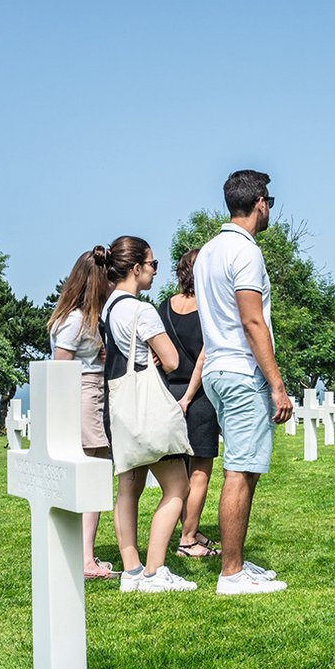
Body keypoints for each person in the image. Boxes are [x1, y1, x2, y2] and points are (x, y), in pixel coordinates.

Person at [194, 170, 293, 595]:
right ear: (260, 203)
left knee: (243, 466)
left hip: (216, 366)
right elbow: (252, 320)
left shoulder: (207, 252)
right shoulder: (246, 252)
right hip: (240, 369)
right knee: (240, 470)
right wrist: (276, 384)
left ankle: (236, 563)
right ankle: (231, 574)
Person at [99, 236, 196, 594]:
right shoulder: (143, 311)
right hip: (148, 408)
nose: (156, 271)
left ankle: (132, 571)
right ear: (136, 268)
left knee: (128, 486)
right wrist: (155, 357)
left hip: (120, 406)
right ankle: (156, 570)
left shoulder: (108, 308)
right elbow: (171, 360)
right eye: (153, 264)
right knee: (177, 486)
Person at [48, 247, 117, 580]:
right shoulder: (76, 320)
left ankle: (82, 552)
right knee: (94, 474)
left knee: (95, 473)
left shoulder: (79, 318)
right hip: (84, 397)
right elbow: (61, 367)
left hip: (89, 393)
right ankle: (86, 559)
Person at [157, 248, 221, 558]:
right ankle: (188, 538)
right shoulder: (210, 308)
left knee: (178, 471)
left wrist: (174, 396)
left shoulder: (162, 308)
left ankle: (187, 530)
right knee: (200, 470)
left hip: (168, 393)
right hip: (198, 398)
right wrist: (188, 397)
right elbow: (204, 357)